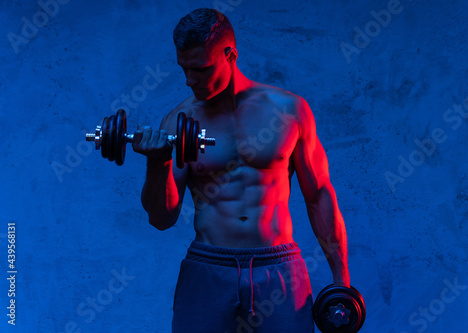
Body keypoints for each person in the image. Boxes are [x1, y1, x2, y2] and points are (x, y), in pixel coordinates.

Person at [132, 8, 350, 333]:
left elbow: (318, 195)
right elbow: (161, 219)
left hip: (278, 267)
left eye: (201, 70)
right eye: (184, 70)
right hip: (208, 267)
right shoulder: (179, 123)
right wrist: (157, 162)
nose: (190, 81)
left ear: (230, 54)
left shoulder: (289, 111)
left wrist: (341, 281)